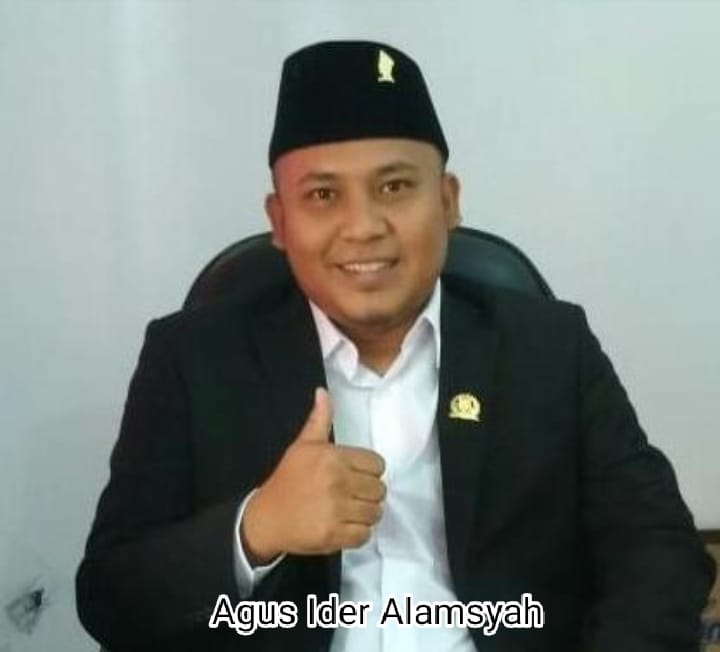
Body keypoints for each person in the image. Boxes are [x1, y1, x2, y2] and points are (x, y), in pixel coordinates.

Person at [76, 40, 714, 652]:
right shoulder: (192, 359)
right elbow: (110, 596)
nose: (363, 227)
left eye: (395, 187)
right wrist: (257, 527)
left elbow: (658, 549)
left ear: (448, 201)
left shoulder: (547, 346)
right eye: (323, 195)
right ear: (279, 222)